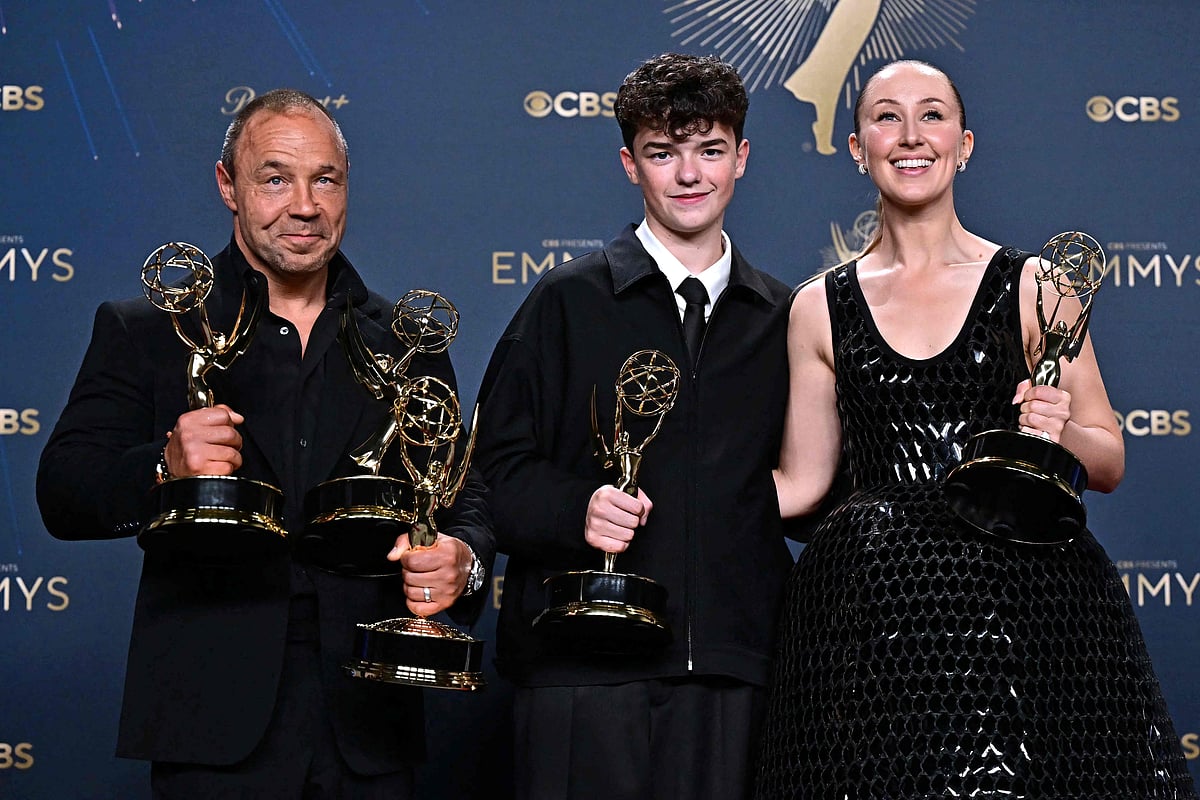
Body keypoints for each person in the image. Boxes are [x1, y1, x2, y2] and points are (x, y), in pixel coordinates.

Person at [753, 60, 1197, 799]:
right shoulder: (817, 307)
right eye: (885, 116)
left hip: (1020, 603)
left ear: (964, 144)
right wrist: (678, 495)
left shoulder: (1036, 286)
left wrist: (1059, 434)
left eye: (931, 115)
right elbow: (802, 483)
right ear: (857, 147)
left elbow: (1107, 454)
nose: (909, 135)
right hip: (873, 616)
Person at [36, 89, 494, 798]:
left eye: (325, 179)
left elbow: (463, 500)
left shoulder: (407, 342)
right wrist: (164, 466)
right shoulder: (149, 329)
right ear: (229, 187)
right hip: (210, 724)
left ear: (346, 188)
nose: (304, 204)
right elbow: (63, 491)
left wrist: (462, 562)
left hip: (370, 722)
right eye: (275, 177)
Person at [474, 53, 797, 800]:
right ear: (630, 164)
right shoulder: (563, 302)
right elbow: (483, 478)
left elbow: (814, 490)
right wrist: (572, 508)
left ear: (741, 158)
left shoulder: (786, 318)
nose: (689, 175)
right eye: (663, 152)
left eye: (709, 150)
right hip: (581, 672)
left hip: (732, 673)